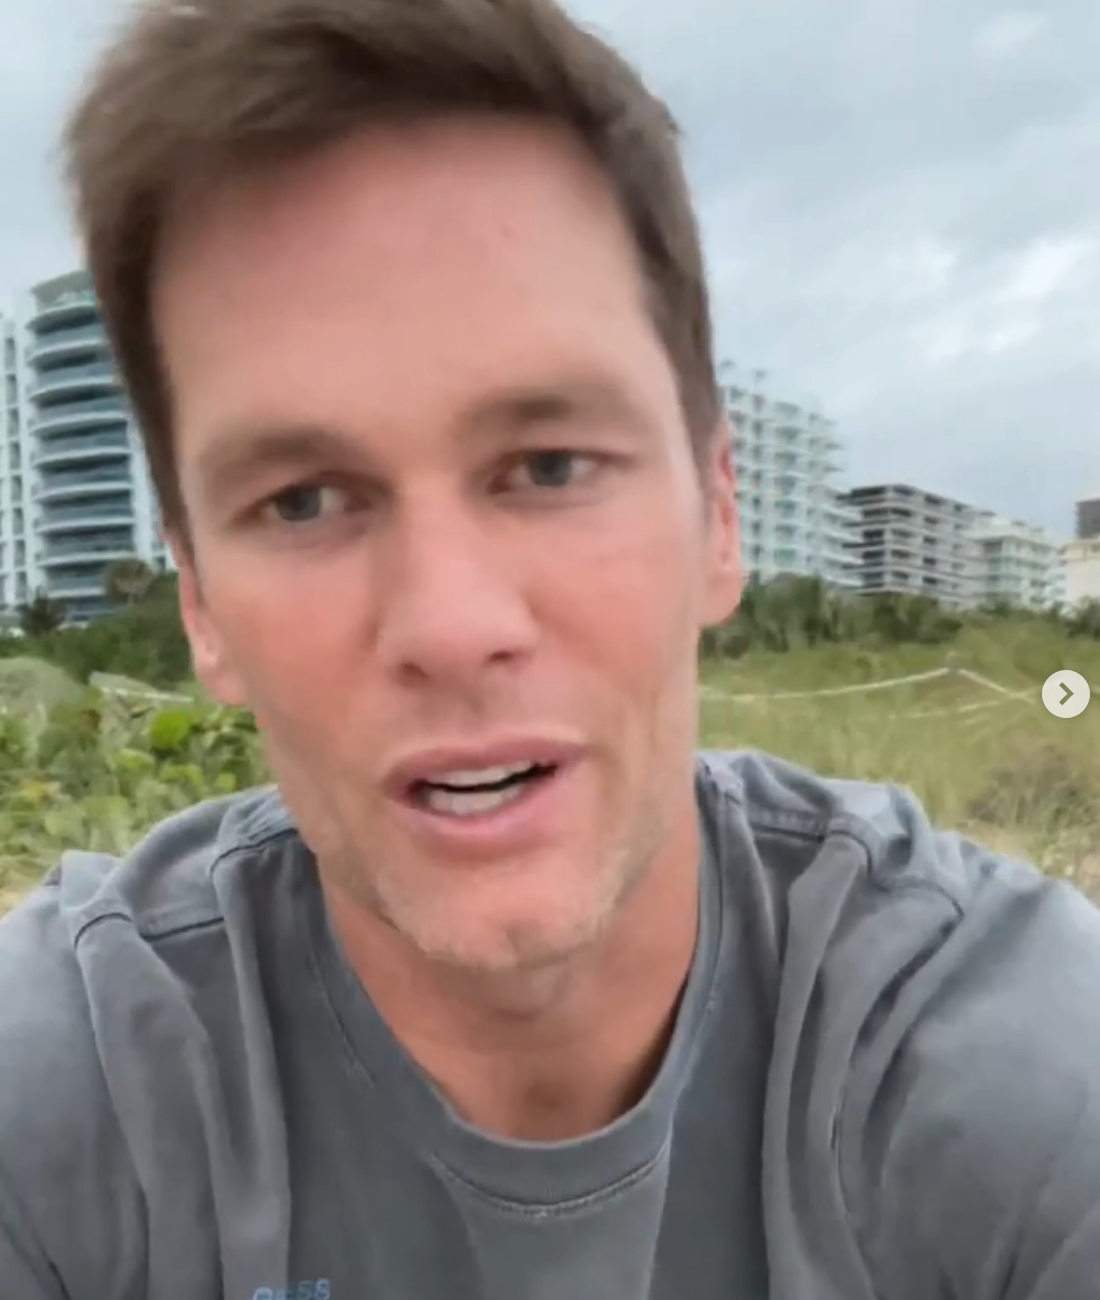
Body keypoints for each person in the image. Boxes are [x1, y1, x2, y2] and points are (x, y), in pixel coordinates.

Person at [1, 0, 1098, 1296]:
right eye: (303, 500)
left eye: (550, 465)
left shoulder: (1004, 1068)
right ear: (197, 603)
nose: (451, 625)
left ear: (720, 516)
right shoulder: (80, 1100)